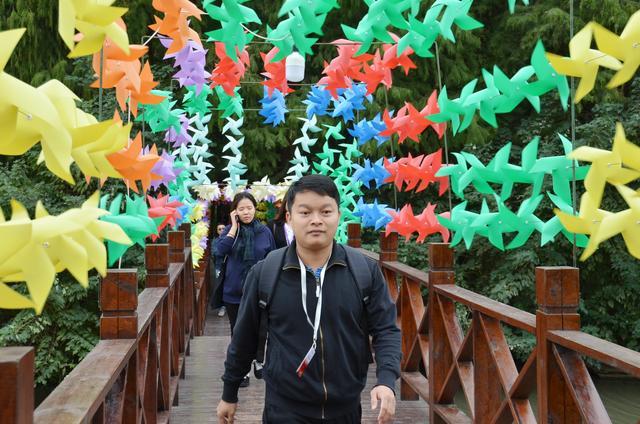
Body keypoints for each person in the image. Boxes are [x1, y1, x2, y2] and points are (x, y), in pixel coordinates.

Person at [217, 175, 401, 424]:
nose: (316, 220)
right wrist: (229, 392)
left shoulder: (363, 271)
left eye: (326, 211)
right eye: (305, 212)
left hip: (345, 408)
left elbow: (386, 329)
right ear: (290, 218)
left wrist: (387, 380)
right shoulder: (266, 273)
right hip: (284, 409)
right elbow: (244, 337)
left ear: (338, 215)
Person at [214, 192, 276, 387]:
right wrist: (233, 228)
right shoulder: (230, 232)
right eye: (241, 209)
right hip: (234, 291)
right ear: (235, 211)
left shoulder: (264, 231)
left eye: (249, 208)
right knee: (238, 331)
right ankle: (241, 371)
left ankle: (258, 361)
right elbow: (219, 250)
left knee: (260, 329)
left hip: (259, 290)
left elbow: (272, 257)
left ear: (255, 208)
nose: (246, 212)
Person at [214, 223, 227, 317]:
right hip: (219, 266)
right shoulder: (215, 241)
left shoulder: (231, 239)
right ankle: (222, 306)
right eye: (219, 229)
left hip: (230, 266)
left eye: (223, 228)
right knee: (220, 285)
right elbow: (216, 253)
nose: (222, 230)